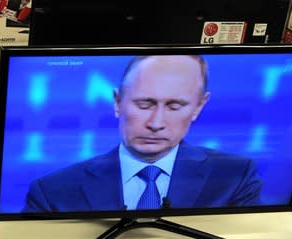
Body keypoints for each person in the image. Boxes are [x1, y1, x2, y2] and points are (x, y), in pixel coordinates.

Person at [23, 55, 262, 212]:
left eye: (174, 106)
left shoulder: (235, 177)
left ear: (199, 107)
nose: (156, 123)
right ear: (118, 102)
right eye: (145, 104)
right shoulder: (52, 192)